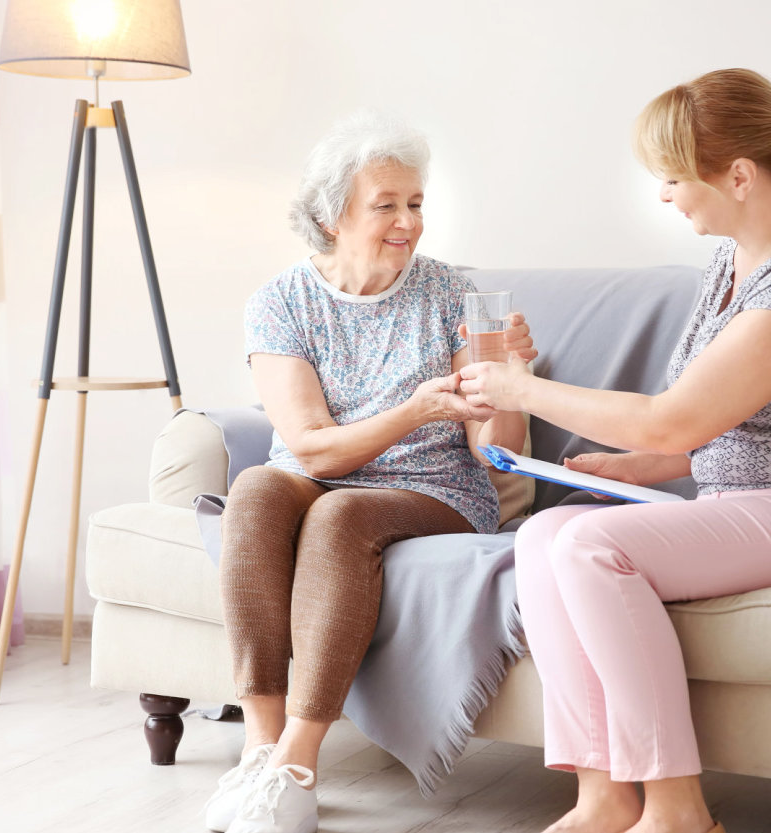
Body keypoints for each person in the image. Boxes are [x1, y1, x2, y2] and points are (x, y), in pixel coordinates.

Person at [459, 69, 771, 833]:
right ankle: (601, 797)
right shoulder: (730, 263)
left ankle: (677, 811)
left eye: (671, 177)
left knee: (594, 548)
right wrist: (642, 468)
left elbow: (672, 420)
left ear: (737, 175)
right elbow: (714, 425)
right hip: (755, 501)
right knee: (542, 535)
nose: (665, 196)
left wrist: (519, 389)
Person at [205, 112, 536, 833]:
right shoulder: (281, 302)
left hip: (434, 487)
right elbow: (314, 449)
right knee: (258, 487)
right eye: (385, 204)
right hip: (320, 471)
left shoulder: (453, 296)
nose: (406, 222)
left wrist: (510, 379)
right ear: (332, 215)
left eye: (414, 203)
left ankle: (298, 762)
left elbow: (491, 447)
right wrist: (414, 408)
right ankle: (259, 748)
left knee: (340, 514)